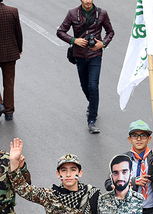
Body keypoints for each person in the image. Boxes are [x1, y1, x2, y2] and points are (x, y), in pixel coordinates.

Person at [57, 0, 114, 134]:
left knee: (93, 85)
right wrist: (74, 40)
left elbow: (110, 32)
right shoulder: (72, 13)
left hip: (95, 55)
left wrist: (103, 43)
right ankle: (93, 104)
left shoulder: (102, 13)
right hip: (80, 55)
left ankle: (91, 120)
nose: (88, 1)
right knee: (85, 86)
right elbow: (60, 31)